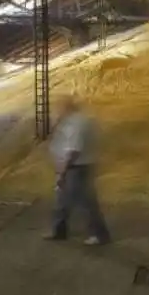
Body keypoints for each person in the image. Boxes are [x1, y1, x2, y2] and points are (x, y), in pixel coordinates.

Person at [44, 94, 111, 246]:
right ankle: (58, 230)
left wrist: (62, 172)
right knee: (62, 200)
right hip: (72, 166)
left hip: (76, 167)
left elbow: (74, 150)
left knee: (85, 202)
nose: (57, 110)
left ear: (67, 107)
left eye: (59, 107)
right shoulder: (71, 122)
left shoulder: (77, 124)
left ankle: (99, 234)